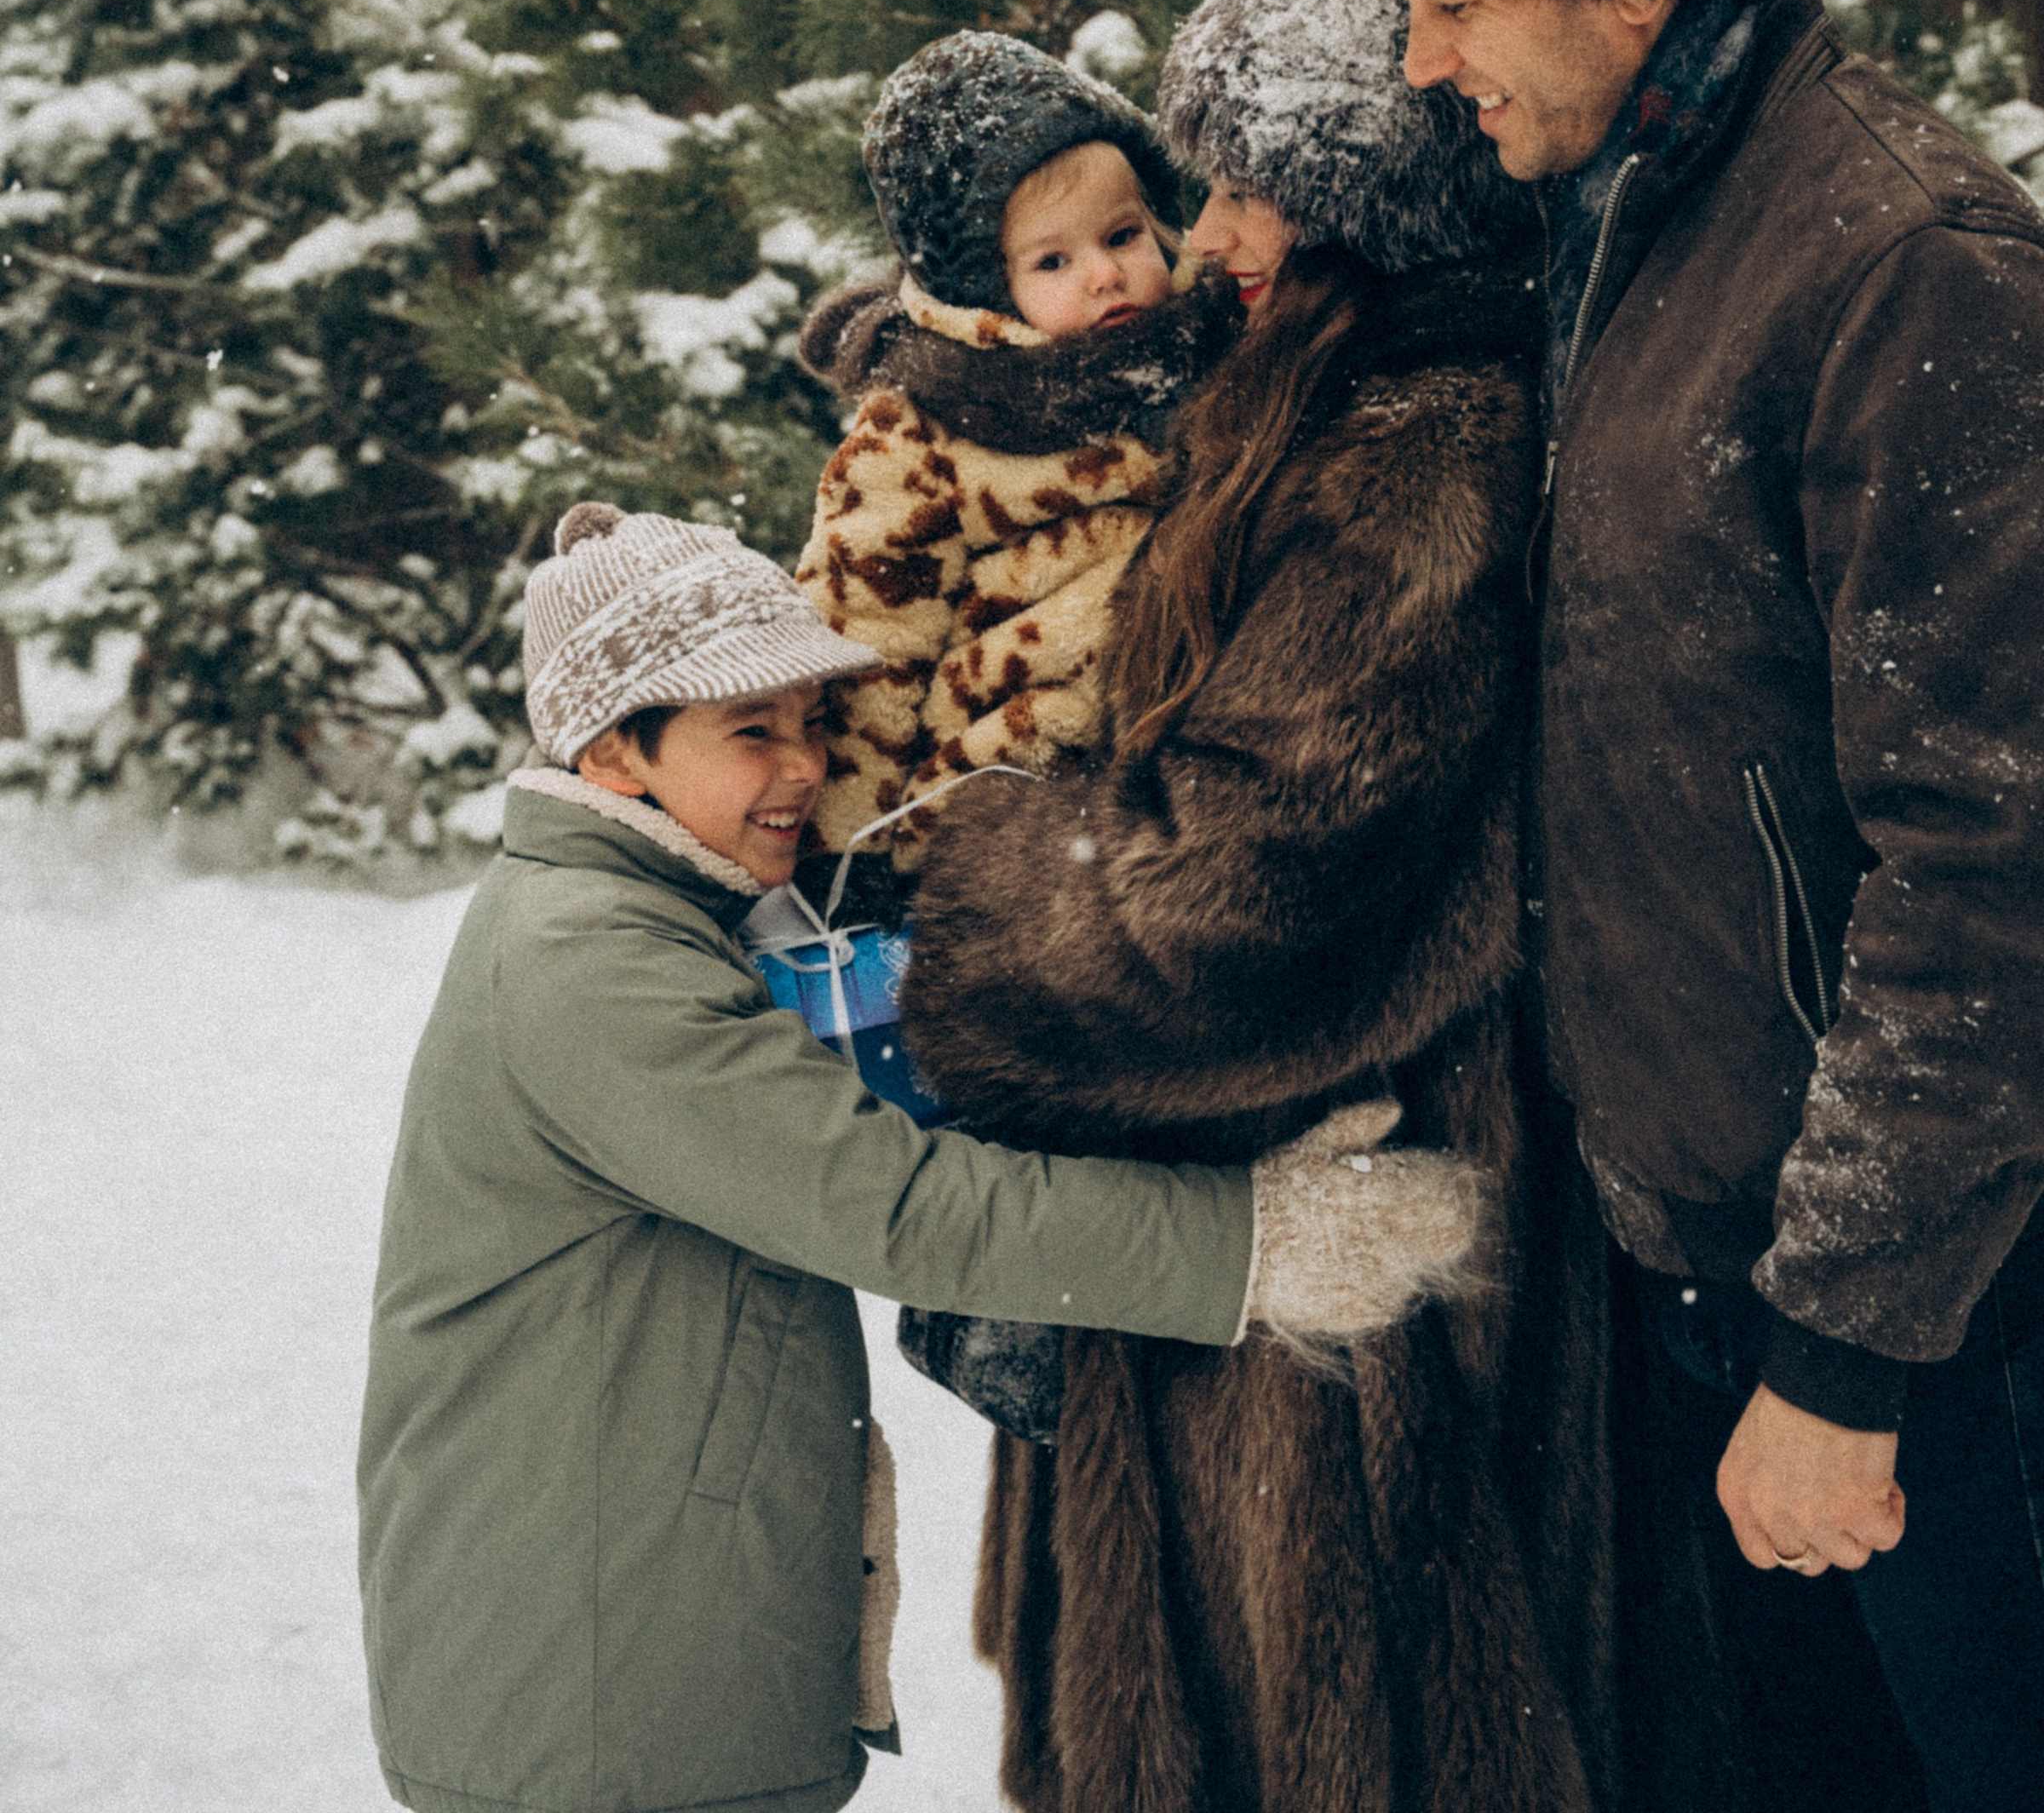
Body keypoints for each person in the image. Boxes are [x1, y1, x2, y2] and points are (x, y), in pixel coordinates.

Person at [1308, 0, 2044, 1813]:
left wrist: (1843, 1352)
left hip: (1929, 1305)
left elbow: (2011, 876)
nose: (1417, 61)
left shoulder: (1906, 272)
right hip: (1715, 1265)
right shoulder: (1621, 225)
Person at [901, 0, 1709, 1813]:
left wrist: (948, 912)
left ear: (1358, 204)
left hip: (1344, 1309)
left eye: (1251, 186)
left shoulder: (1419, 446)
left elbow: (1236, 892)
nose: (1203, 239)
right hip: (1261, 1251)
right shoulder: (1288, 392)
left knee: (1336, 1744)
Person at [358, 499, 1480, 1813]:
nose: (804, 768)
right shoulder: (590, 963)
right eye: (751, 732)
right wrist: (1253, 1243)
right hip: (592, 1687)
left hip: (612, 1638)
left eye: (813, 723)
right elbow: (895, 1207)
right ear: (614, 752)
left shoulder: (645, 915)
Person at [795, 29, 1243, 868]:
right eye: (1052, 260)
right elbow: (865, 640)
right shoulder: (925, 431)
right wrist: (847, 851)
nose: (1104, 275)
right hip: (1010, 781)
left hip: (1199, 742)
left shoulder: (1221, 343)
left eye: (1121, 236)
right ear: (984, 292)